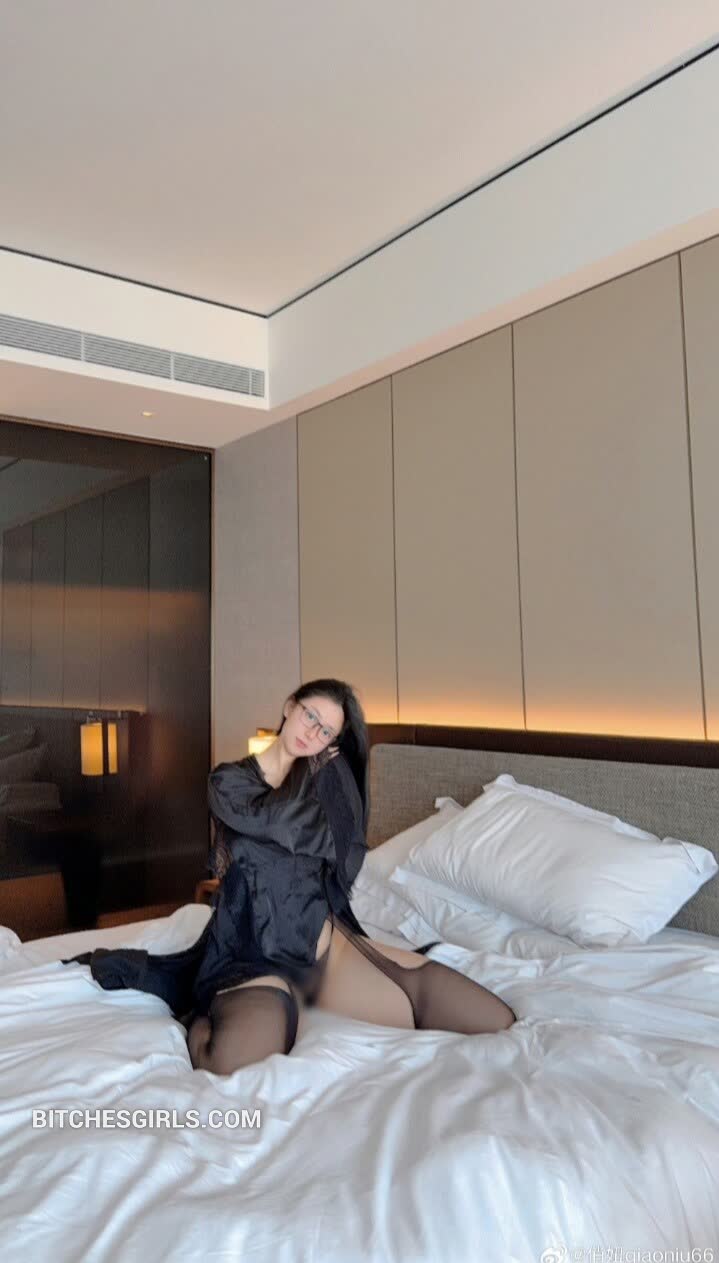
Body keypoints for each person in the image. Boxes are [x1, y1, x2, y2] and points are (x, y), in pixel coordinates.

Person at [63, 678, 516, 1075]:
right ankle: (198, 1011)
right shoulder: (228, 782)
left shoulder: (323, 781)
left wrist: (329, 775)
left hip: (321, 951)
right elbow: (276, 823)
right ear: (289, 706)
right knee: (232, 1065)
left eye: (326, 731)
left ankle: (306, 997)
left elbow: (346, 846)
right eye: (310, 715)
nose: (312, 732)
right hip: (251, 956)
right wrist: (316, 778)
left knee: (494, 1020)